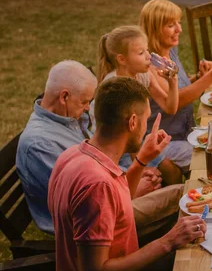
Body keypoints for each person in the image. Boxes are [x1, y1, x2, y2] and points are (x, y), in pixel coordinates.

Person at [48, 76, 207, 271]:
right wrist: (168, 241)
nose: (146, 129)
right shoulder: (97, 184)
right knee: (204, 269)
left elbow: (117, 205)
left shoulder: (73, 155)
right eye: (146, 121)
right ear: (132, 122)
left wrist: (141, 159)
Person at [17, 60, 181, 238]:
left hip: (110, 197)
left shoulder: (68, 118)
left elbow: (100, 164)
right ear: (64, 97)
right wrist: (132, 188)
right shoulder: (40, 144)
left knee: (182, 195)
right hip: (91, 226)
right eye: (85, 101)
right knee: (182, 199)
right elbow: (84, 204)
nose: (88, 107)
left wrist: (132, 173)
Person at [139, 0, 212, 173]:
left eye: (178, 23)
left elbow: (178, 87)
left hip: (185, 132)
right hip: (165, 141)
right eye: (170, 25)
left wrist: (198, 77)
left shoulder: (170, 51)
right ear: (154, 29)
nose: (179, 29)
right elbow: (176, 102)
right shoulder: (150, 65)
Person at [96, 25, 181, 185]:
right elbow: (126, 136)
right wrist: (142, 166)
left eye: (147, 50)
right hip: (116, 153)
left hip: (137, 141)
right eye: (141, 53)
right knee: (154, 181)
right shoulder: (115, 88)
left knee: (172, 172)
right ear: (122, 59)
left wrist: (173, 82)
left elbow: (170, 107)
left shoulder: (143, 75)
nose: (149, 56)